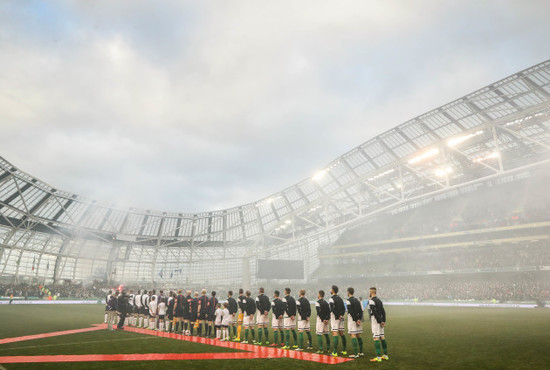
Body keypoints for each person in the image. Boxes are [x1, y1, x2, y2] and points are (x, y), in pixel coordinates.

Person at [368, 287, 389, 362]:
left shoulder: (371, 301)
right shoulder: (379, 301)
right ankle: (385, 355)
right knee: (382, 337)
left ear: (371, 292)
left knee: (376, 338)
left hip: (376, 321)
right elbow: (383, 312)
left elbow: (374, 312)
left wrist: (380, 321)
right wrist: (383, 321)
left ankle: (378, 357)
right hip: (380, 320)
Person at [346, 287, 364, 358]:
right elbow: (361, 310)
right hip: (358, 320)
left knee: (353, 335)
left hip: (352, 320)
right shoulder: (357, 300)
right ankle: (361, 352)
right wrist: (359, 319)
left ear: (348, 292)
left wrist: (356, 319)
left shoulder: (348, 301)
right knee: (358, 335)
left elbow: (351, 311)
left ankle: (356, 354)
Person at [329, 285, 347, 356]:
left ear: (333, 290)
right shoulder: (340, 298)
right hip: (341, 318)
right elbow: (344, 308)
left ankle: (334, 352)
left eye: (331, 289)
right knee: (342, 333)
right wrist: (341, 315)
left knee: (335, 333)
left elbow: (332, 309)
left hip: (335, 318)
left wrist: (338, 316)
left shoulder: (331, 299)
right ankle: (344, 350)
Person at [315, 290, 331, 354]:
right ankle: (328, 349)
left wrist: (323, 319)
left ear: (319, 294)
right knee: (326, 334)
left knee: (319, 334)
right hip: (326, 321)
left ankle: (321, 349)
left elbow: (319, 312)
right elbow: (328, 312)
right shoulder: (326, 303)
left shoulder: (317, 302)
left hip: (320, 320)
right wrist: (327, 319)